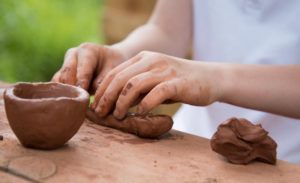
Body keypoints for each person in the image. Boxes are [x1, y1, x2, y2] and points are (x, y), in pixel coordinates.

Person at [52, 0, 300, 163]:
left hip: (286, 160)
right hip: (194, 142)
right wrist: (123, 55)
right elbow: (167, 31)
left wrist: (215, 78)